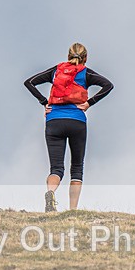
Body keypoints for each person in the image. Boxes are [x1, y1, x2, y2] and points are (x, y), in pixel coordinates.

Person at [24, 43, 113, 212]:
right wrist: (89, 103)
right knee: (77, 167)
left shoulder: (56, 70)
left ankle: (50, 192)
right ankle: (72, 210)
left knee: (56, 168)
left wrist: (45, 103)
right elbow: (108, 85)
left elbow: (29, 82)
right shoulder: (87, 73)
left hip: (54, 121)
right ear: (85, 58)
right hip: (77, 121)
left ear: (68, 56)